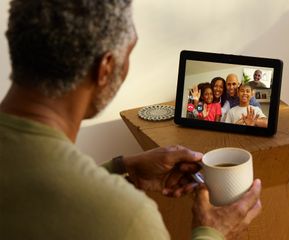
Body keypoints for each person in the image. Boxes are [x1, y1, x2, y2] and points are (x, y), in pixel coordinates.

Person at [0, 0, 262, 239]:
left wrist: (121, 169)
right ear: (105, 69)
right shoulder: (129, 220)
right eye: (129, 51)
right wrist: (213, 234)